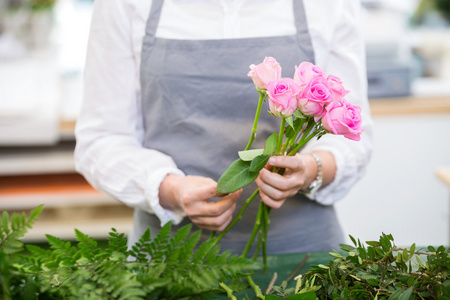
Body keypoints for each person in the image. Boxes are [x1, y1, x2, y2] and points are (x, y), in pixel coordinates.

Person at [75, 0, 373, 255]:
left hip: (302, 258)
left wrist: (312, 168)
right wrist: (169, 188)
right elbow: (102, 138)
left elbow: (354, 134)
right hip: (173, 261)